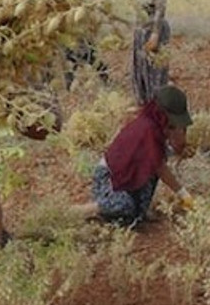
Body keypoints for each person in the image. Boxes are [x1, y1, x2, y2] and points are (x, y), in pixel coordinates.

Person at [79, 85, 194, 226]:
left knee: (133, 217)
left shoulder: (155, 127)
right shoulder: (147, 130)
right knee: (124, 206)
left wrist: (180, 141)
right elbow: (160, 167)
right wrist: (183, 194)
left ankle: (130, 213)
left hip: (128, 176)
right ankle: (86, 210)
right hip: (110, 178)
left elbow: (164, 152)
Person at [129, 0, 170, 104]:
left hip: (154, 30)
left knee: (155, 68)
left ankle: (157, 103)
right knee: (140, 67)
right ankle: (143, 101)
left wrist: (155, 34)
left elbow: (160, 10)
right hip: (141, 31)